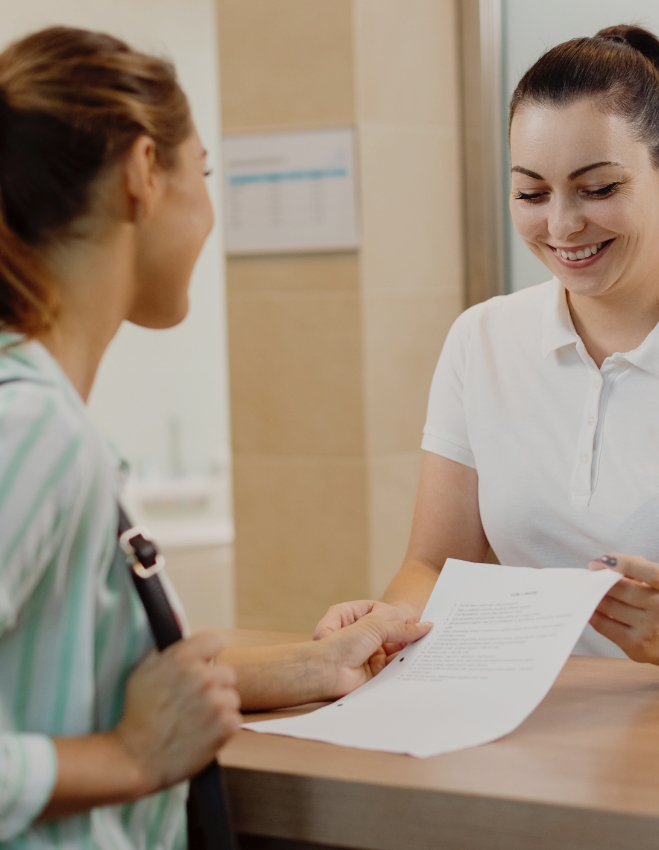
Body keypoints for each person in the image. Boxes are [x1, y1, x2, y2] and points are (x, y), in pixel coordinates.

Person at [0, 27, 432, 847]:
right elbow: (115, 733)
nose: (207, 214)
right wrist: (126, 758)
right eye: (201, 172)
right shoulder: (31, 429)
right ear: (140, 175)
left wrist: (316, 666)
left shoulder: (43, 416)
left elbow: (71, 682)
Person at [316, 25, 659, 675]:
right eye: (532, 193)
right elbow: (432, 566)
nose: (562, 226)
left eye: (598, 189)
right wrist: (384, 627)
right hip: (552, 719)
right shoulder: (480, 341)